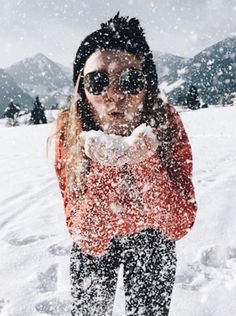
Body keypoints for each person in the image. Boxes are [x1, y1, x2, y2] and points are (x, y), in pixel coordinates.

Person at [53, 12, 197, 316]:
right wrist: (106, 168)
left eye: (131, 80)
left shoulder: (167, 124)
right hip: (96, 240)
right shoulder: (70, 132)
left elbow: (179, 223)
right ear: (82, 90)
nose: (115, 95)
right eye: (98, 81)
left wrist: (145, 163)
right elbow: (88, 239)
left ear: (147, 90)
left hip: (152, 238)